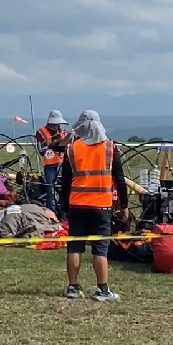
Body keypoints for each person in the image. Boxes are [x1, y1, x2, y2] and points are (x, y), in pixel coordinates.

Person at [58, 110, 128, 302]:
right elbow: (119, 180)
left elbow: (65, 183)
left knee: (74, 247)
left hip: (77, 205)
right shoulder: (110, 148)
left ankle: (72, 287)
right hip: (102, 206)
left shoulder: (71, 149)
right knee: (100, 249)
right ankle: (102, 290)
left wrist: (64, 207)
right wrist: (124, 206)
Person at [35, 110, 69, 214]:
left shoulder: (63, 132)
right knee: (51, 189)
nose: (56, 126)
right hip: (50, 165)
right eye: (55, 124)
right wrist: (54, 144)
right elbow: (41, 150)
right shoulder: (41, 132)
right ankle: (52, 213)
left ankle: (63, 211)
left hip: (63, 163)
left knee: (63, 187)